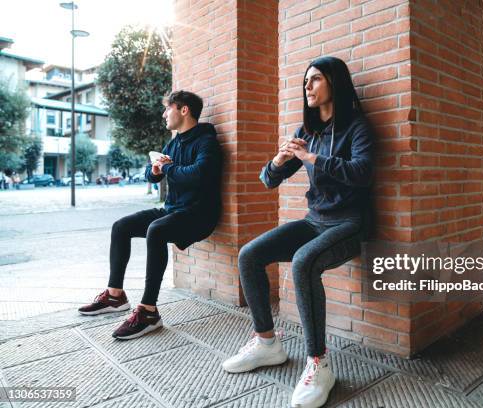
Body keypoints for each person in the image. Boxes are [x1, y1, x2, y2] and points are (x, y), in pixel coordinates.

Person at [221, 56, 373, 408]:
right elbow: (268, 181)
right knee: (250, 254)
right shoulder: (306, 132)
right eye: (306, 80)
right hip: (314, 220)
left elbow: (363, 172)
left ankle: (318, 363)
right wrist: (276, 162)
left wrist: (314, 159)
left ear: (335, 83)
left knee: (304, 262)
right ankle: (267, 343)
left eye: (315, 79)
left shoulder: (357, 127)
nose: (307, 86)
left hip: (350, 222)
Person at [78, 90, 222, 340]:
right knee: (121, 226)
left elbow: (198, 175)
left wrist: (167, 166)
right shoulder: (173, 143)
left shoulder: (206, 141)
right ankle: (115, 296)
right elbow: (151, 174)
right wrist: (155, 171)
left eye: (168, 108)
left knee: (156, 230)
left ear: (183, 110)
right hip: (173, 210)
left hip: (199, 215)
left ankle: (148, 312)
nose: (164, 114)